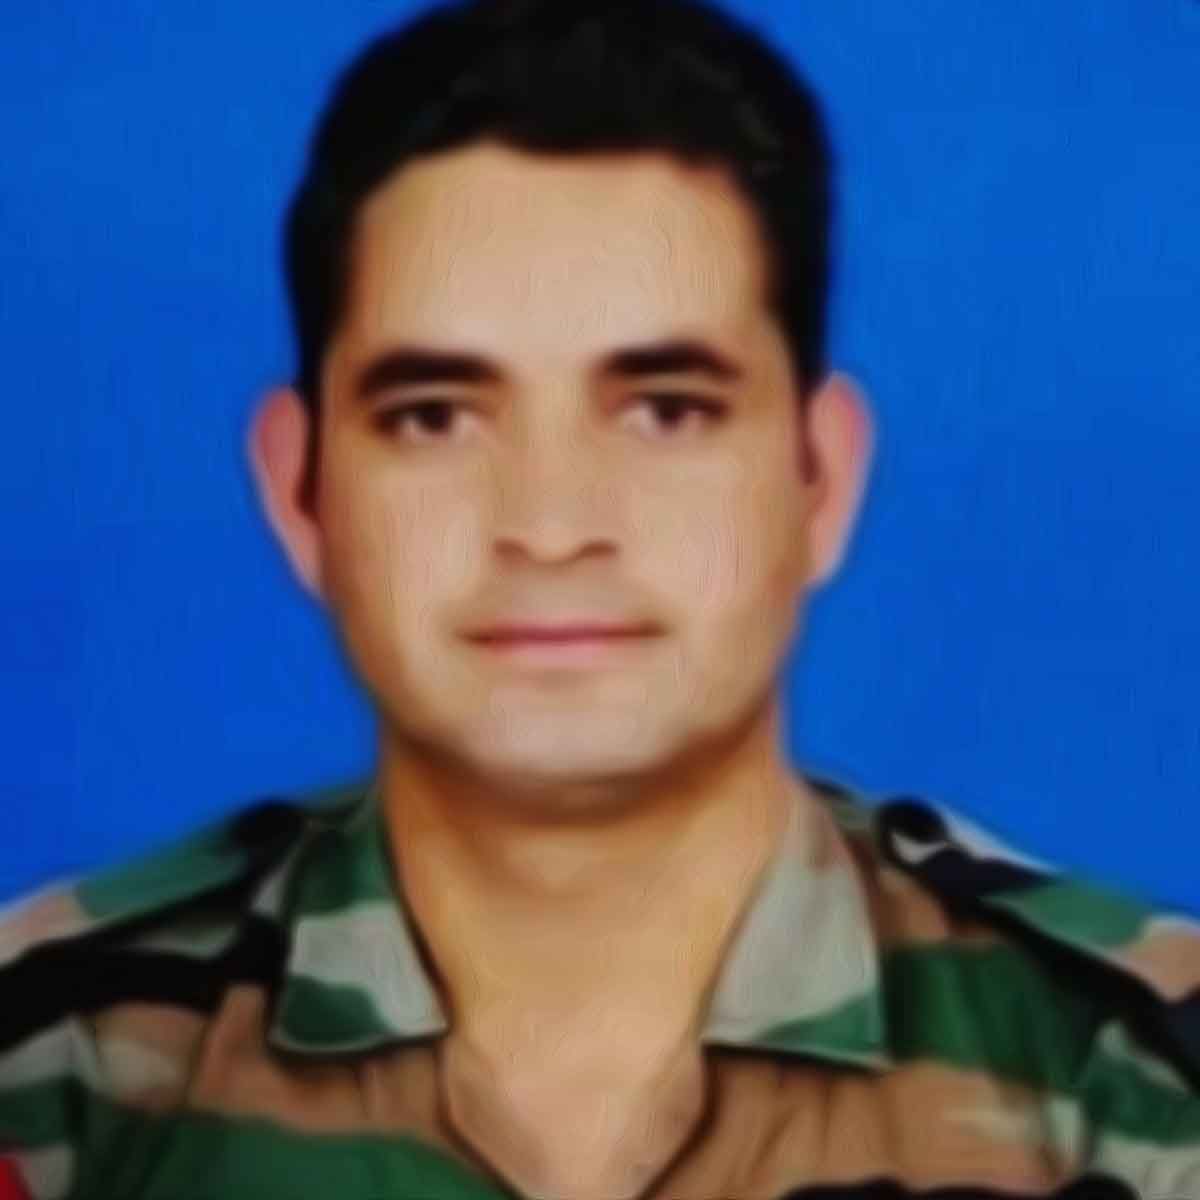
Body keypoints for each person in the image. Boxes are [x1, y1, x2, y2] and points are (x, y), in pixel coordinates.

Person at [2, 0, 1198, 1196]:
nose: (552, 525)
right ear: (300, 491)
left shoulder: (1141, 1074)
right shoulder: (49, 1060)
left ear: (820, 481)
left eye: (666, 410)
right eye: (435, 417)